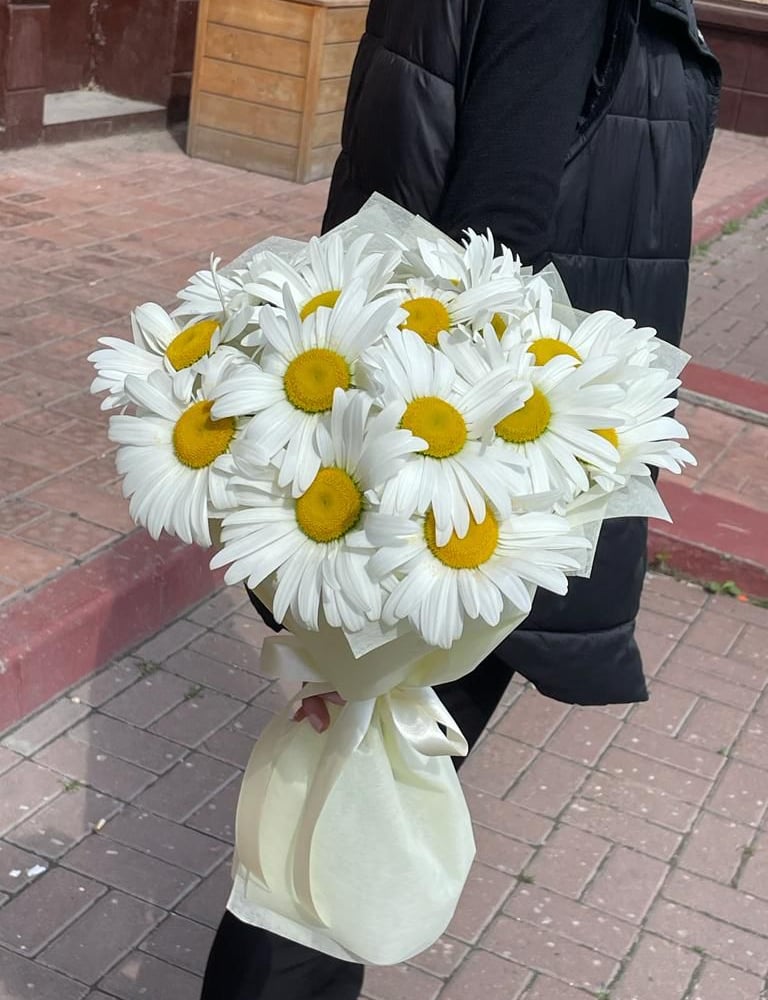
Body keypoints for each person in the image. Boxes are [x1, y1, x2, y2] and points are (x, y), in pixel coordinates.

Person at [200, 1, 720, 997]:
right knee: (344, 830)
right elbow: (490, 248)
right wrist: (417, 524)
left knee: (339, 803)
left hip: (453, 455)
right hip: (474, 490)